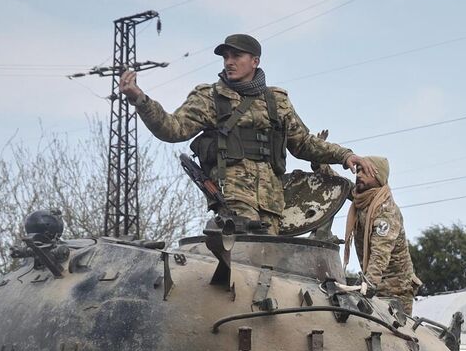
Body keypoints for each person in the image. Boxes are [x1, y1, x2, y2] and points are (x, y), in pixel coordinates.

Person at [117, 33, 374, 233]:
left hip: (273, 204)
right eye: (226, 57)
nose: (229, 62)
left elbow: (303, 144)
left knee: (267, 268)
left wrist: (345, 156)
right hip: (234, 199)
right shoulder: (210, 98)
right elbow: (173, 129)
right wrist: (140, 100)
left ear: (255, 61)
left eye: (236, 56)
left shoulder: (277, 101)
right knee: (243, 263)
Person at [344, 156, 422, 312]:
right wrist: (321, 164)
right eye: (358, 171)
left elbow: (380, 254)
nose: (359, 175)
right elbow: (340, 184)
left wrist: (368, 284)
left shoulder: (386, 211)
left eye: (365, 171)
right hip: (374, 285)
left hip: (395, 291)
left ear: (379, 178)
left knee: (393, 334)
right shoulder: (362, 198)